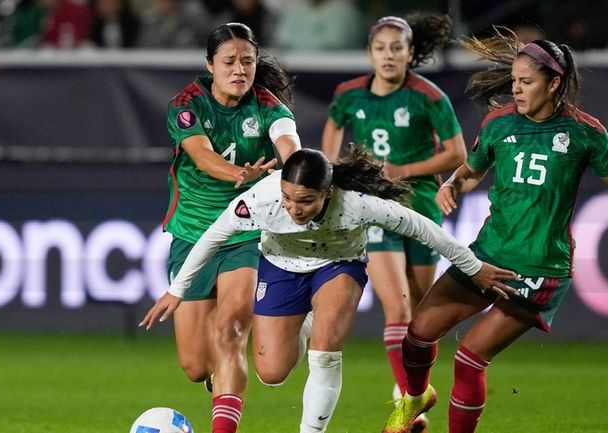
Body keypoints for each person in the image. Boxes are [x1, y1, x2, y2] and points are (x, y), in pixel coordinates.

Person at [382, 27, 608, 433]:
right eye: (514, 82)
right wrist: (452, 185)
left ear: (554, 83)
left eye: (526, 82)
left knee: (469, 359)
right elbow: (470, 172)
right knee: (416, 336)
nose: (517, 91)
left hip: (539, 267)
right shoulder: (498, 125)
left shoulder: (584, 132)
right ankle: (415, 401)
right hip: (486, 255)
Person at [141, 147, 518, 433]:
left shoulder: (355, 204)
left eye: (305, 200)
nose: (293, 208)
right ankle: (305, 322)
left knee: (324, 351)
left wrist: (473, 267)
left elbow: (422, 228)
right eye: (288, 197)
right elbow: (213, 236)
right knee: (271, 372)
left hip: (338, 266)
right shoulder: (260, 200)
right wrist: (177, 290)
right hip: (280, 268)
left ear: (327, 191)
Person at [320, 15, 467, 429]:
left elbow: (456, 153)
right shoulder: (349, 94)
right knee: (397, 308)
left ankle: (410, 389)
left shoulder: (428, 96)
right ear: (370, 53)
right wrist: (332, 169)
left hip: (420, 206)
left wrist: (407, 169)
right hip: (374, 206)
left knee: (421, 313)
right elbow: (333, 123)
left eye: (397, 48)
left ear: (409, 52)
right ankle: (407, 401)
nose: (389, 55)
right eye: (381, 48)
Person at [155, 22, 300, 433]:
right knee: (195, 364)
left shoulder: (270, 107)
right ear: (210, 65)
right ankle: (217, 377)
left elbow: (288, 142)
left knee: (231, 327)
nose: (239, 70)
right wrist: (238, 173)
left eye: (248, 62)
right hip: (193, 233)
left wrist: (296, 164)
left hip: (247, 231)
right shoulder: (186, 105)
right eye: (230, 62)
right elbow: (200, 156)